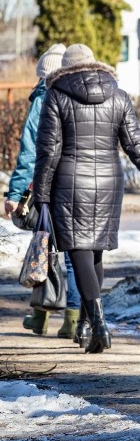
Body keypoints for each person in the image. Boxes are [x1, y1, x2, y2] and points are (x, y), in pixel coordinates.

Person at [32, 43, 140, 354]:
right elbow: (136, 145)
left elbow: (48, 152)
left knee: (79, 250)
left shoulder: (57, 94)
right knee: (95, 253)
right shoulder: (118, 95)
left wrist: (41, 194)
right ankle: (86, 324)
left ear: (64, 69)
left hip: (69, 182)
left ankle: (98, 324)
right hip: (109, 182)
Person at [3, 43, 83, 340]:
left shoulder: (42, 99)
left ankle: (40, 317)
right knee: (74, 251)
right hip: (77, 184)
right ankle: (72, 318)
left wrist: (14, 193)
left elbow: (28, 153)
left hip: (46, 187)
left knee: (44, 247)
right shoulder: (76, 96)